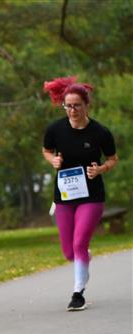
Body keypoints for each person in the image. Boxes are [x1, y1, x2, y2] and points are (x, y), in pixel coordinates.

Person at [41, 76, 118, 311]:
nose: (72, 111)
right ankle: (83, 255)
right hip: (64, 196)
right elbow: (46, 150)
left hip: (91, 195)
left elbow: (112, 159)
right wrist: (53, 160)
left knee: (79, 242)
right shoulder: (55, 129)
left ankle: (78, 293)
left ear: (86, 105)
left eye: (77, 106)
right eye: (68, 106)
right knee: (69, 252)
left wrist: (101, 169)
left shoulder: (100, 132)